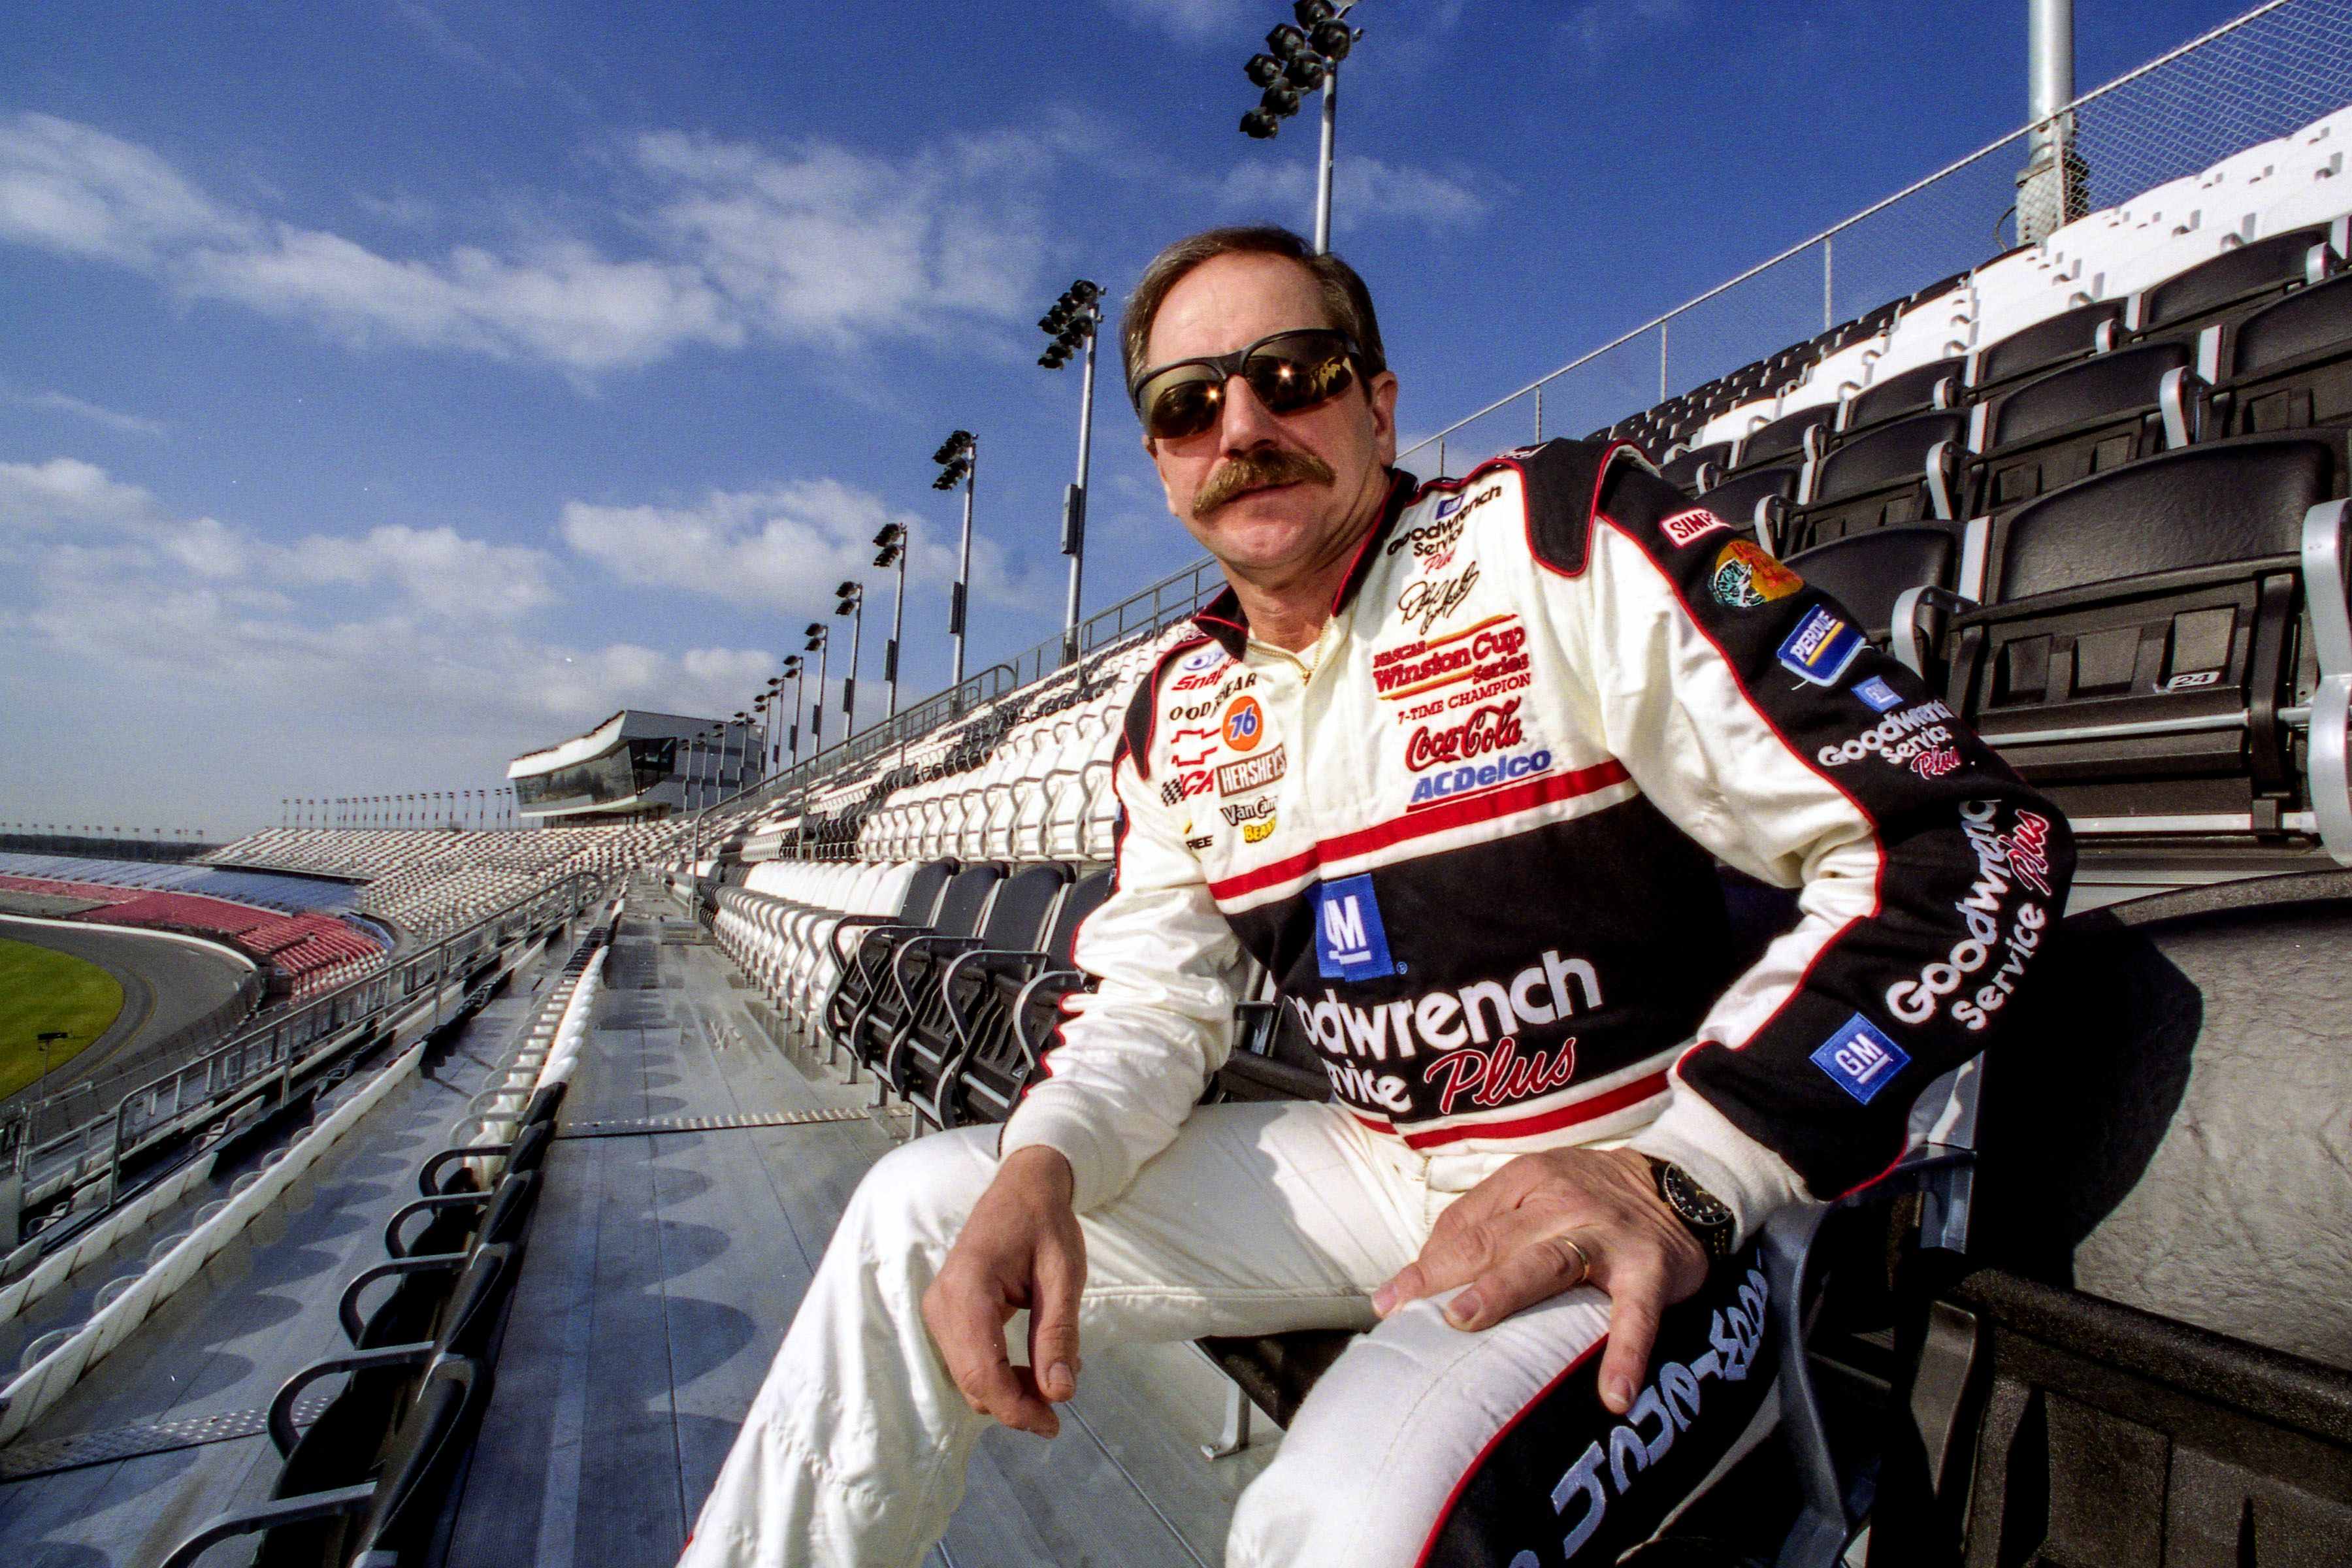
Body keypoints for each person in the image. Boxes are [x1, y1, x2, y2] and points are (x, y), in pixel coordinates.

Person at [679, 226, 2072, 1568]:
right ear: (1161, 468)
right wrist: (1040, 1162)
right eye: (1186, 404)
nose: (1241, 426)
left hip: (1647, 1177)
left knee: (1345, 1527)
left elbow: (1971, 843)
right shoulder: (1177, 708)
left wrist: (1696, 1170)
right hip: (1379, 1163)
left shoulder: (1558, 538)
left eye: (1290, 375)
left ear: (1378, 402)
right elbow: (1148, 1008)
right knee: (925, 1210)